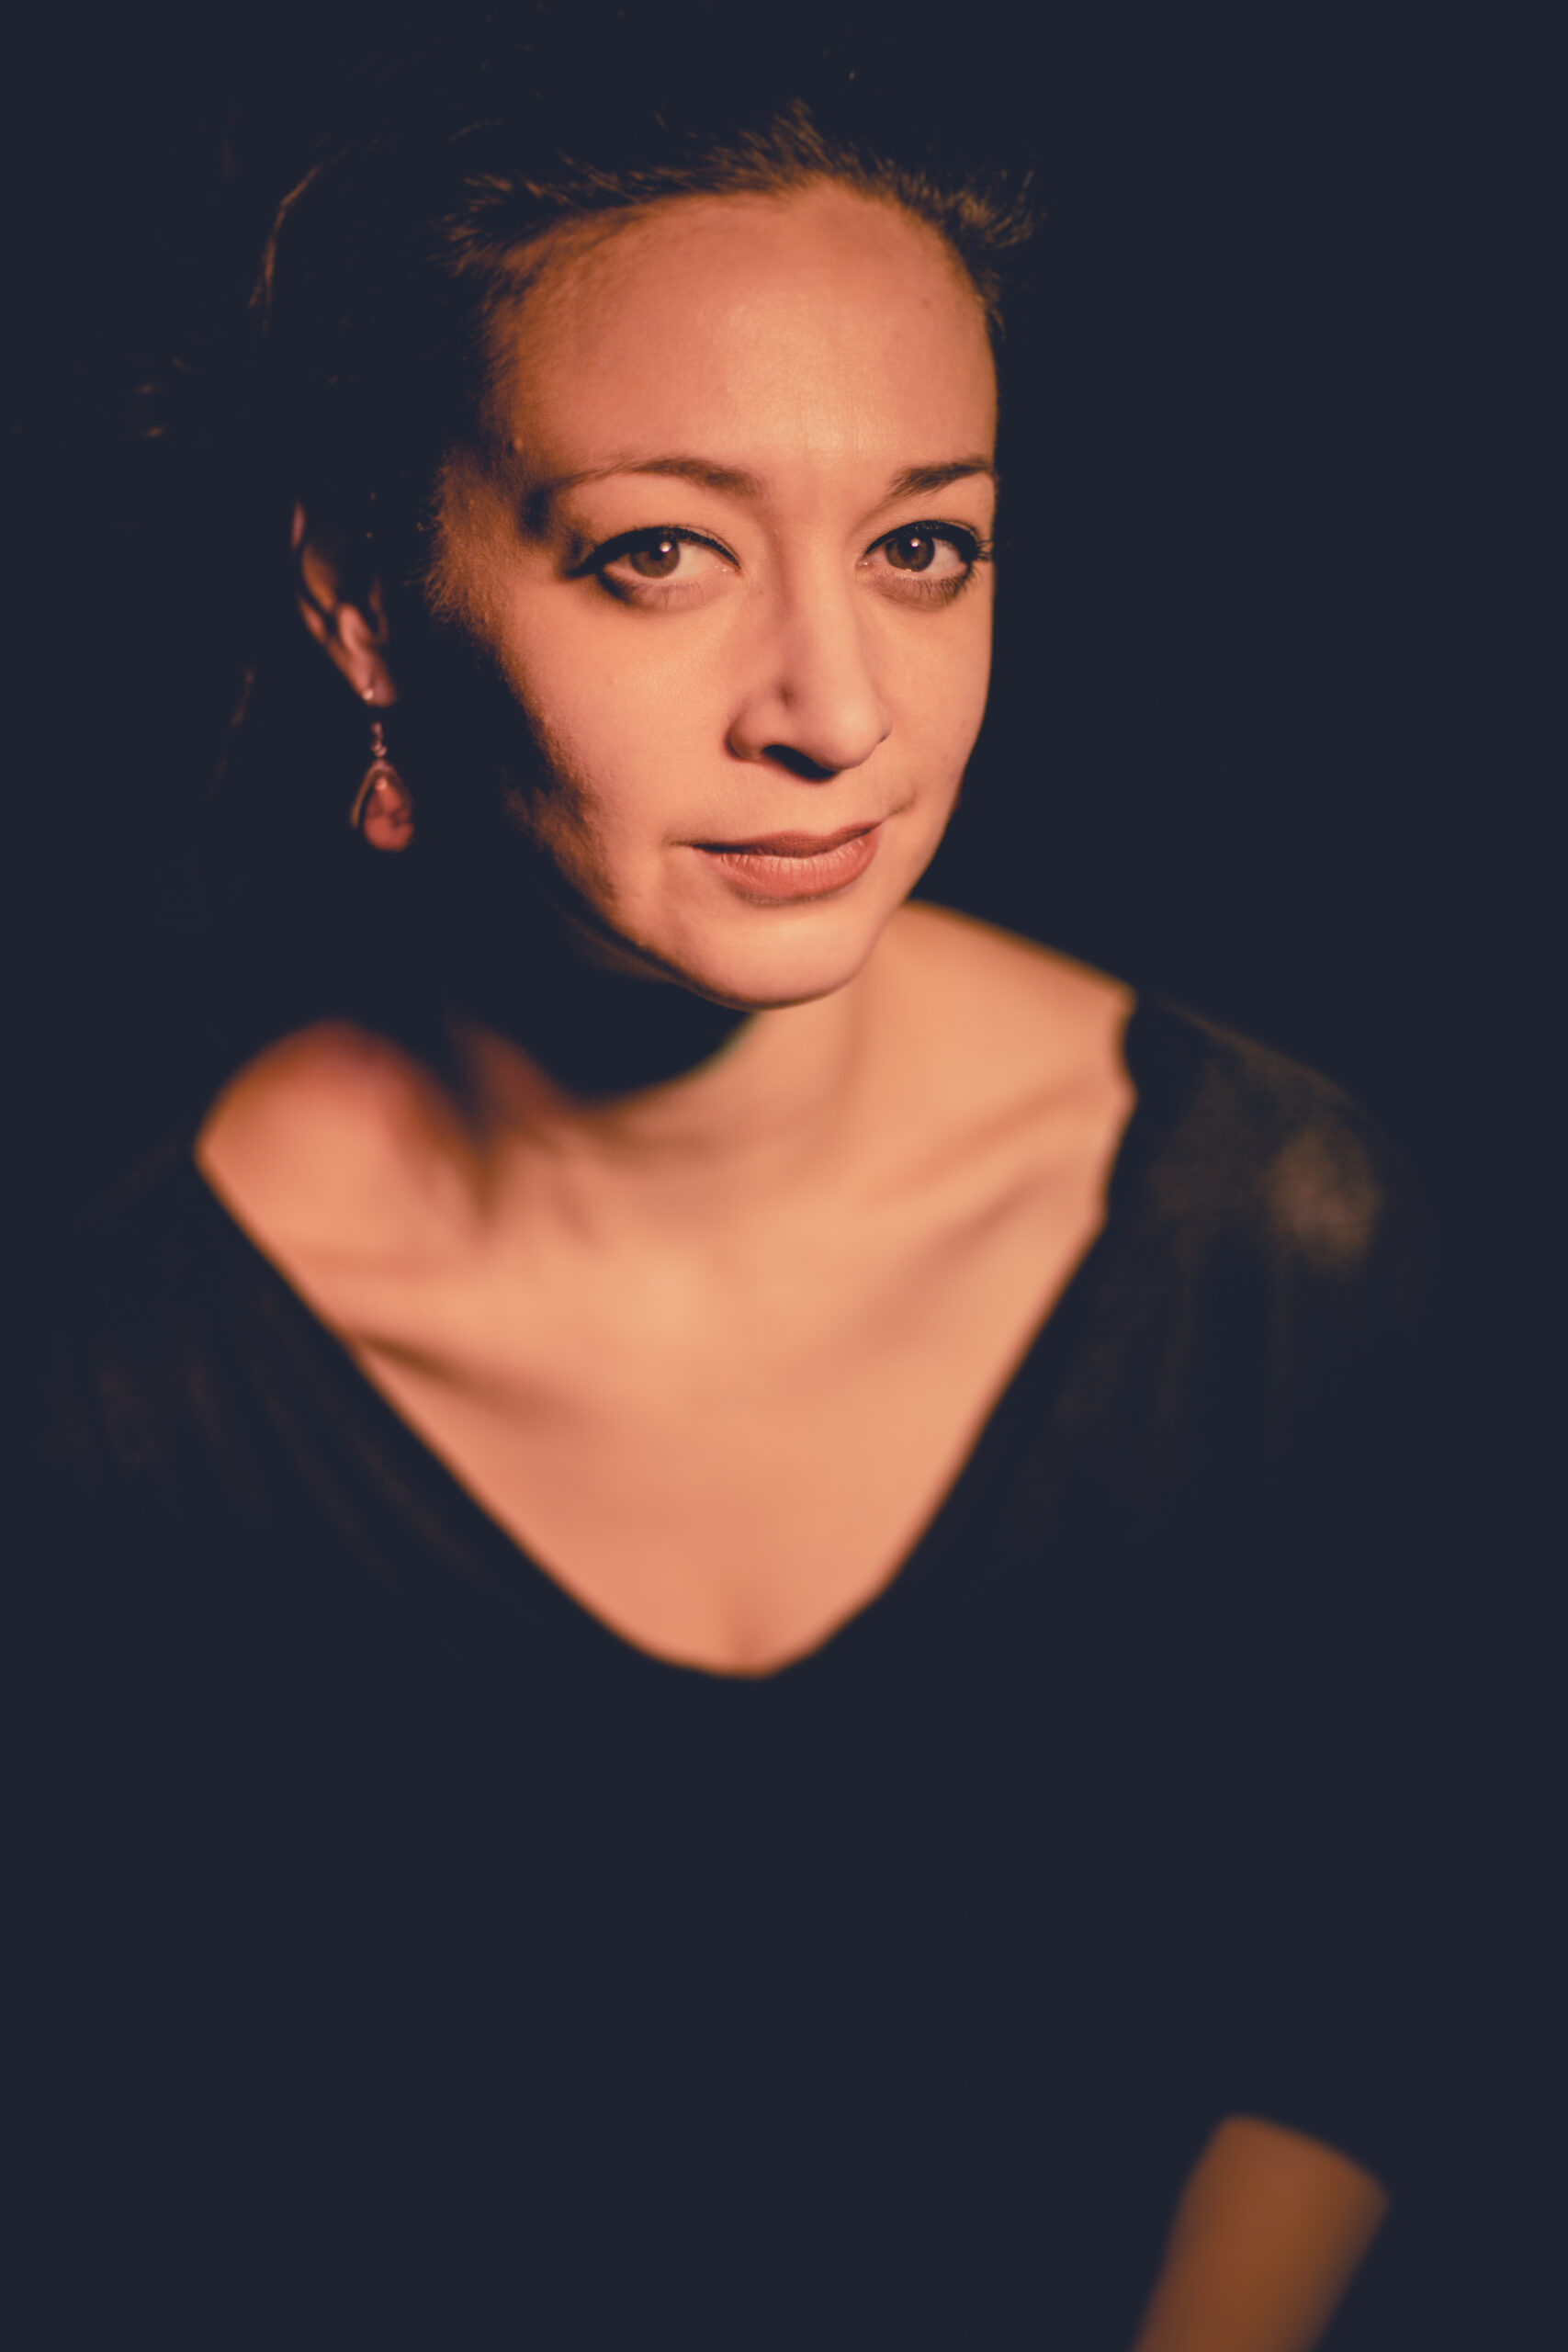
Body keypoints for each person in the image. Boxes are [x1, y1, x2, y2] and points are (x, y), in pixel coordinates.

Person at [26, 88, 1437, 2350]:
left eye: (922, 548)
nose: (836, 711)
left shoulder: (1278, 1227)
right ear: (363, 606)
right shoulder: (107, 1384)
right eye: (655, 552)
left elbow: (1376, 1970)